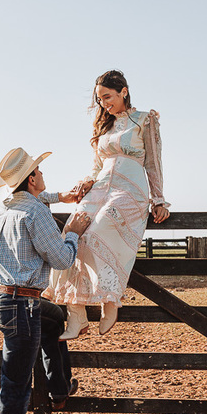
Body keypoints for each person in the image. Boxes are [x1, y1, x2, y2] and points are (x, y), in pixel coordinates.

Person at [0, 146, 91, 414]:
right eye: (39, 171)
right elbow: (62, 259)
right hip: (21, 303)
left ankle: (58, 388)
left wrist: (62, 196)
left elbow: (38, 198)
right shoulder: (35, 212)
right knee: (15, 388)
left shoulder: (8, 205)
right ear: (31, 179)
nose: (43, 174)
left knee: (54, 319)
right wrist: (73, 231)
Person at [47, 69, 170, 338]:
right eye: (100, 99)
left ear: (123, 92)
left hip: (130, 190)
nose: (103, 104)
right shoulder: (105, 126)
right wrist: (86, 182)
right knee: (72, 232)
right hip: (100, 187)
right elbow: (96, 166)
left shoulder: (144, 120)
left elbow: (153, 163)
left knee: (100, 228)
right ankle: (76, 315)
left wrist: (159, 199)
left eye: (107, 97)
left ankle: (110, 298)